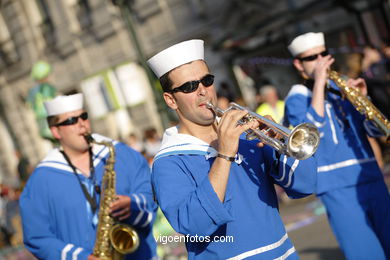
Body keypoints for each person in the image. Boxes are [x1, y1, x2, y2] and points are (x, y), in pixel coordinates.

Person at [147, 39, 317, 259]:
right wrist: (224, 154)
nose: (202, 92)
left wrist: (280, 145)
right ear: (171, 100)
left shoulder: (246, 136)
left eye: (207, 81)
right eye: (189, 86)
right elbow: (194, 224)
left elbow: (305, 185)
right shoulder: (168, 162)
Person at [284, 32, 390, 259]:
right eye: (312, 58)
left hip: (369, 173)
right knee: (366, 253)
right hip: (336, 185)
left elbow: (374, 131)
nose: (321, 61)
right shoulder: (297, 96)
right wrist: (320, 82)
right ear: (299, 65)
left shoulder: (341, 88)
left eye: (324, 54)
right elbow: (312, 131)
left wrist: (363, 99)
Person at [19, 93, 157, 260]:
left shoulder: (122, 154)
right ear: (56, 131)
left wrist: (133, 204)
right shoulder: (40, 181)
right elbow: (37, 237)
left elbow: (152, 195)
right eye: (71, 120)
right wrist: (80, 257)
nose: (81, 124)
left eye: (83, 116)